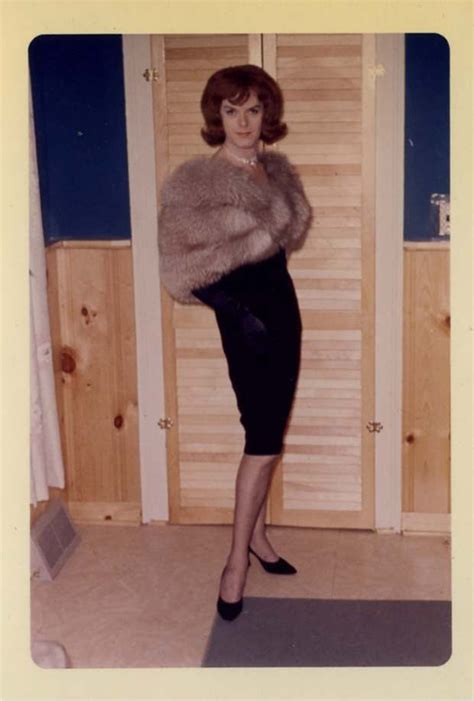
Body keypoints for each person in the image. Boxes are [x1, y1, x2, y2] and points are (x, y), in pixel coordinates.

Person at [158, 64, 312, 621]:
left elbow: (275, 255)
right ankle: (235, 564)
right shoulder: (195, 184)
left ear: (266, 115)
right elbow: (181, 272)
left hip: (285, 316)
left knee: (266, 433)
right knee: (264, 441)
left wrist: (268, 311)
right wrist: (239, 315)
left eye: (253, 110)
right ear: (215, 116)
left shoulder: (274, 172)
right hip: (246, 325)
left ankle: (260, 539)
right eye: (231, 111)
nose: (243, 122)